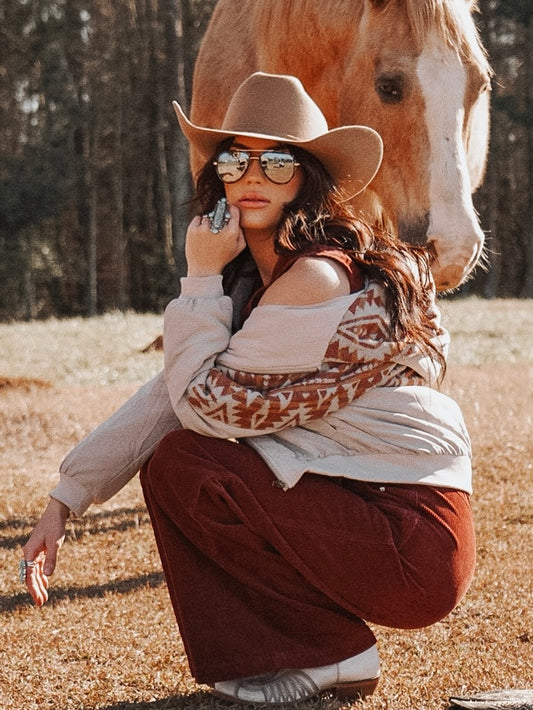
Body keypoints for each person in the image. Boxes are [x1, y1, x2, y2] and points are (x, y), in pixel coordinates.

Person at [22, 72, 476, 706]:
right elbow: (168, 396)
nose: (253, 175)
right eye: (235, 159)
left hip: (411, 544)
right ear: (218, 179)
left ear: (308, 177)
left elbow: (203, 407)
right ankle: (318, 652)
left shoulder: (314, 277)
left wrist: (199, 278)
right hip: (370, 517)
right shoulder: (251, 289)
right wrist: (64, 501)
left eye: (278, 161)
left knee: (187, 462)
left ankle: (331, 654)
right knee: (182, 460)